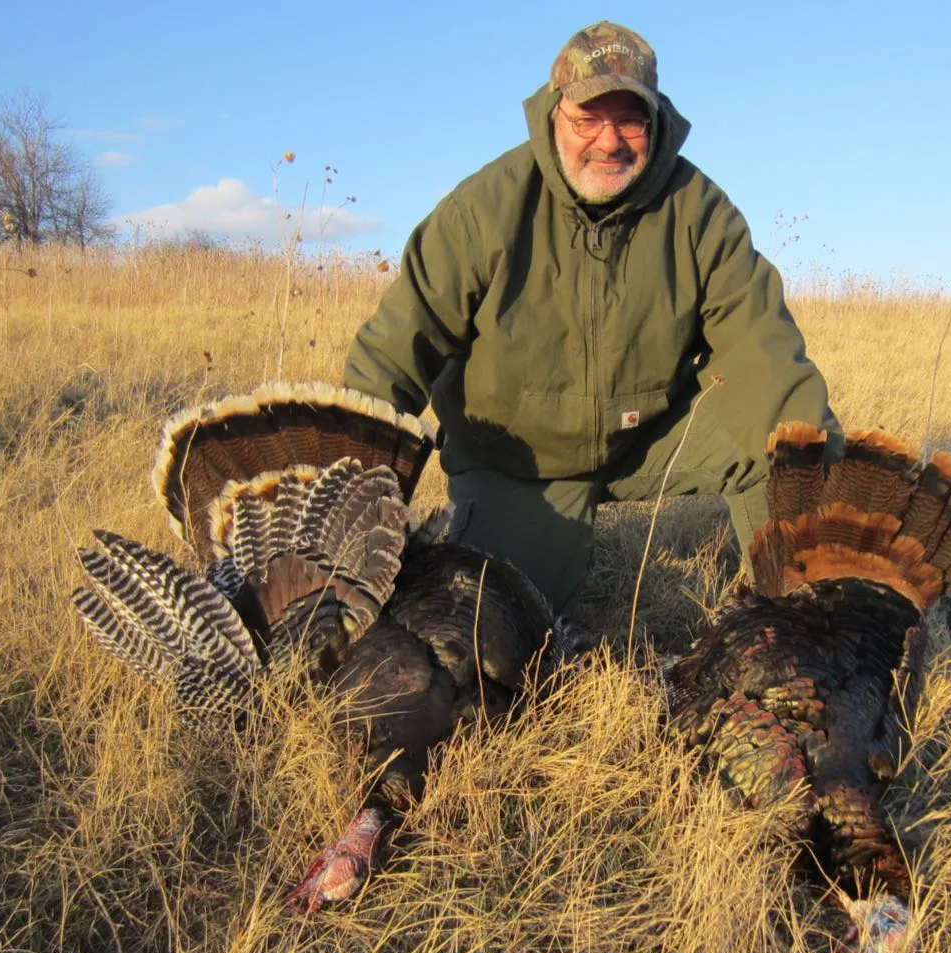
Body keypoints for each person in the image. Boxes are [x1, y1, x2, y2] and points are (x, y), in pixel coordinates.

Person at [343, 20, 842, 613]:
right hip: (520, 460)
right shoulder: (484, 209)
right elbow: (397, 347)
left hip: (644, 435)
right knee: (504, 639)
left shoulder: (699, 213)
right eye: (588, 119)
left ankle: (803, 615)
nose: (610, 141)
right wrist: (341, 496)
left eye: (630, 119)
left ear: (656, 122)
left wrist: (829, 492)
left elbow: (763, 352)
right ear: (555, 113)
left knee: (781, 448)